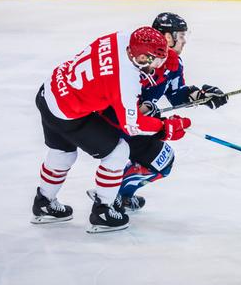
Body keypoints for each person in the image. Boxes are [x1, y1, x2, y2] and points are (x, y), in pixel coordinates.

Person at [31, 26, 192, 233]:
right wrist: (165, 127)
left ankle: (44, 202)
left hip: (49, 93)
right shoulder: (126, 79)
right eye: (154, 62)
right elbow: (132, 125)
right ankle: (103, 211)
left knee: (62, 154)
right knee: (118, 152)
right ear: (142, 57)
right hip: (69, 112)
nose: (155, 68)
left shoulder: (122, 38)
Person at [113, 12, 228, 212]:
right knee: (162, 159)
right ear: (167, 37)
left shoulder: (174, 62)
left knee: (161, 158)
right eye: (180, 36)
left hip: (138, 122)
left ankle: (119, 195)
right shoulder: (139, 62)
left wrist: (200, 95)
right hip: (120, 121)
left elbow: (177, 94)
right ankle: (113, 195)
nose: (184, 41)